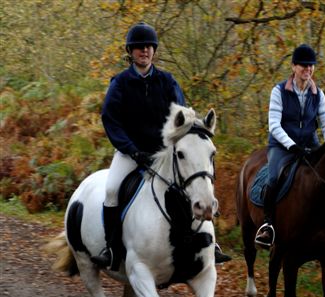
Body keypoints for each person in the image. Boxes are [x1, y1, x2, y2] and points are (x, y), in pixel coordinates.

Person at [91, 21, 230, 270]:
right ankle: (111, 248)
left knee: (195, 184)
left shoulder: (167, 81)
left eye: (148, 47)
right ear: (130, 52)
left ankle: (210, 244)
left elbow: (182, 117)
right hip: (130, 153)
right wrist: (131, 149)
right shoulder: (120, 83)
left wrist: (190, 134)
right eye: (139, 47)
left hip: (165, 153)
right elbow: (110, 120)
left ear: (154, 50)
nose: (144, 51)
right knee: (112, 190)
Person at [254, 43, 325, 248]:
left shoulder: (318, 95)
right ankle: (268, 226)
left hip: (310, 144)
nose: (307, 69)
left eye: (311, 65)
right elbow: (274, 125)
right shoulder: (279, 91)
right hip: (281, 146)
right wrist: (291, 146)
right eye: (303, 65)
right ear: (293, 67)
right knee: (273, 177)